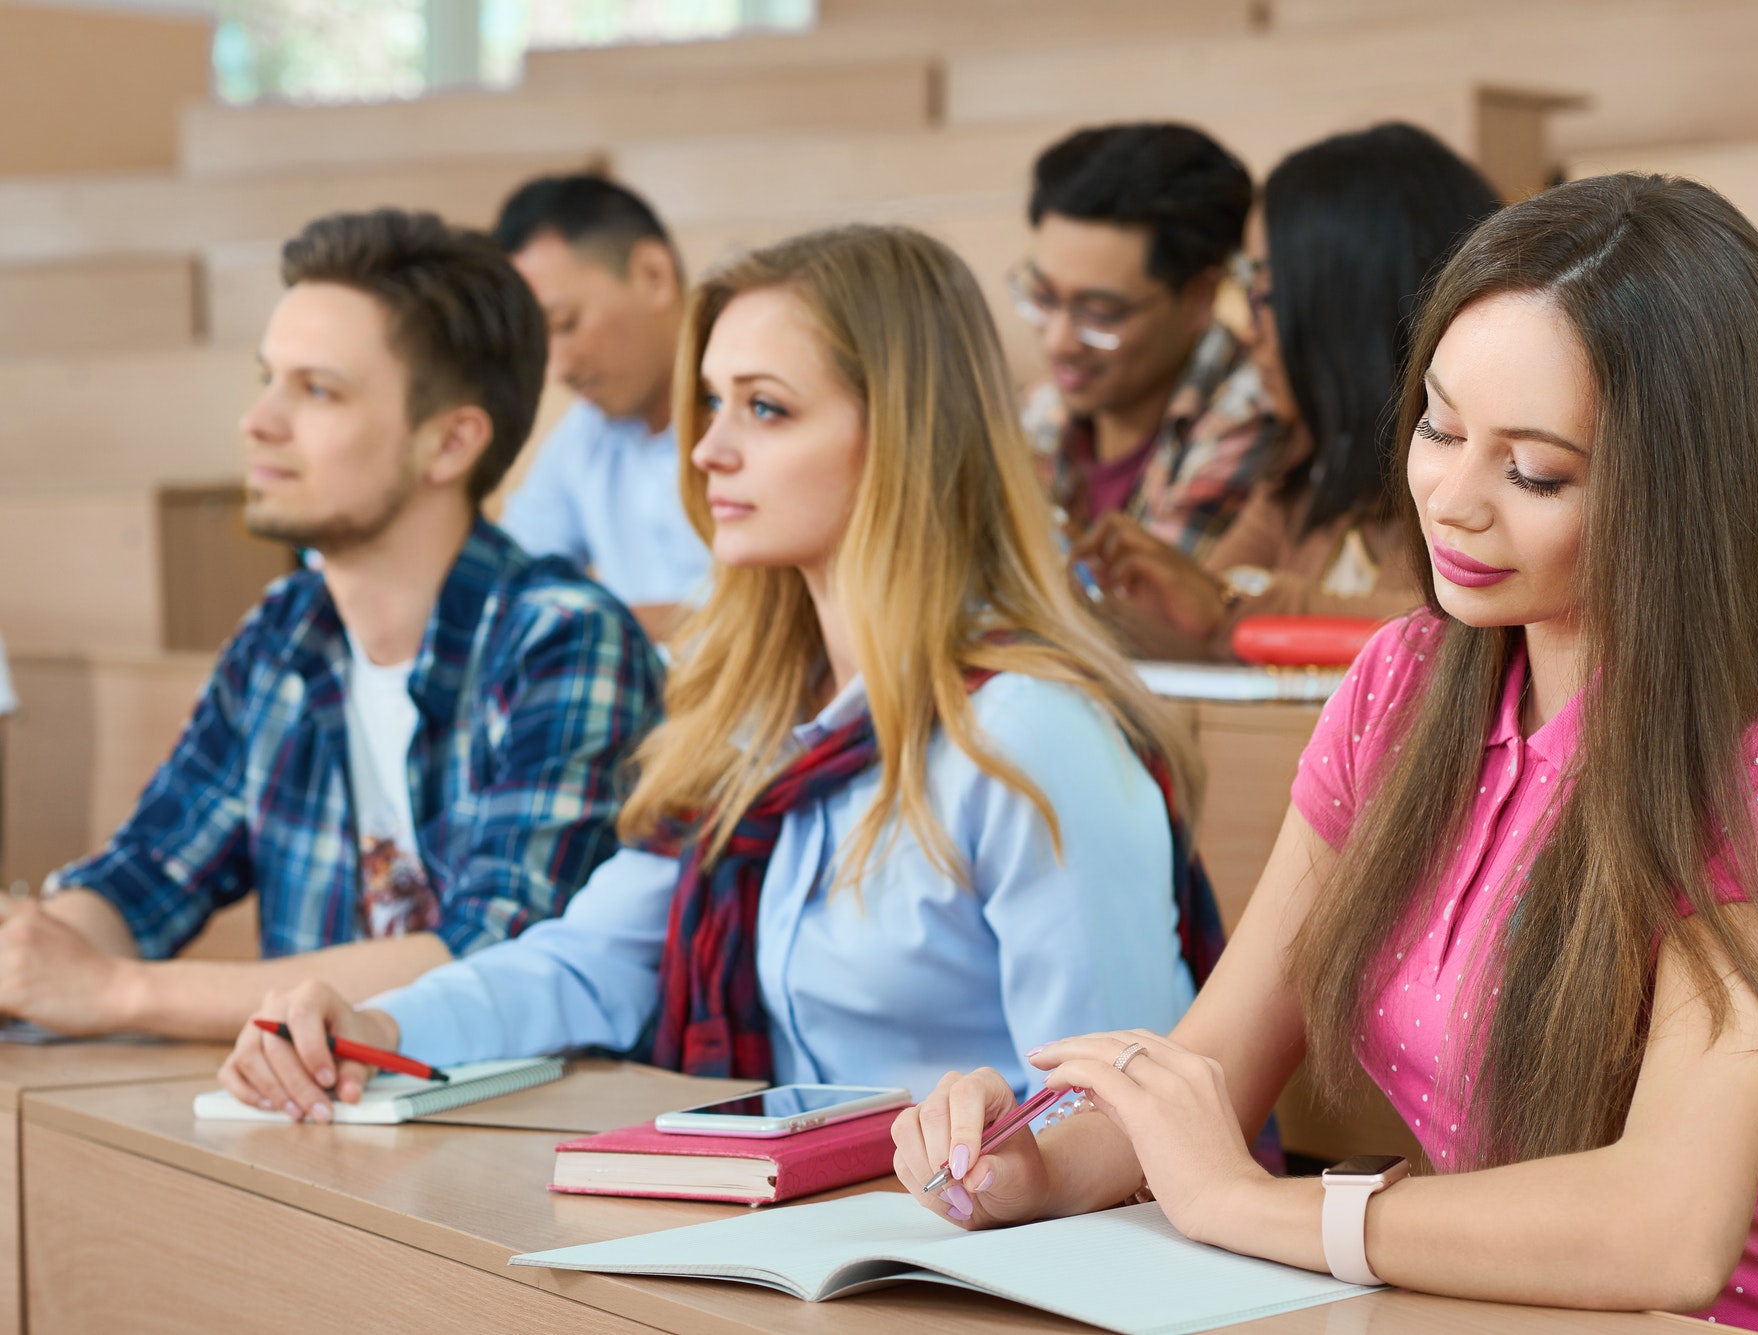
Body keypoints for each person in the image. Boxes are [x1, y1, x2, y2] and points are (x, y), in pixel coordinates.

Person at [894, 175, 1758, 1334]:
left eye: (1534, 471)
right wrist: (1026, 1167)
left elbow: (1663, 1231)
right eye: (1440, 428)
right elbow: (1207, 1067)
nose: (1449, 499)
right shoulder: (1404, 685)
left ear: (1685, 497)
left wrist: (1254, 1206)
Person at [221, 225, 1223, 1142]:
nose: (706, 451)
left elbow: (1123, 1114)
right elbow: (592, 961)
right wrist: (376, 1023)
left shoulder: (1028, 734)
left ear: (900, 438)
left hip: (986, 1254)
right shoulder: (756, 718)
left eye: (764, 408)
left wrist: (992, 1167)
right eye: (710, 402)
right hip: (806, 1232)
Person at [0, 210, 662, 1042]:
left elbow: (500, 954)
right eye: (267, 379)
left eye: (317, 389)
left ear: (451, 441)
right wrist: (31, 953)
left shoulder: (563, 639)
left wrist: (121, 991)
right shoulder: (286, 631)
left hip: (519, 1137)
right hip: (324, 1127)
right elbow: (143, 877)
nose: (260, 420)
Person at [1076, 123, 1500, 661]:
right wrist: (1087, 596)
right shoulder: (1302, 472)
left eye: (1266, 296)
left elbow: (1459, 638)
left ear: (1349, 308)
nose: (1248, 330)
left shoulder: (1478, 478)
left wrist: (1236, 608)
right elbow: (1201, 631)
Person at [1013, 123, 1273, 558]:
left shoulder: (1248, 415)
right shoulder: (1042, 411)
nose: (1058, 343)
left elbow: (1137, 614)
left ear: (1198, 298)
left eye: (1099, 312)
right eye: (1044, 297)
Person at [494, 175, 712, 640]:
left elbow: (781, 623)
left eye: (565, 324)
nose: (556, 367)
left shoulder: (765, 418)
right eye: (537, 341)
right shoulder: (586, 436)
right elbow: (511, 579)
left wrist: (589, 628)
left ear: (654, 275)